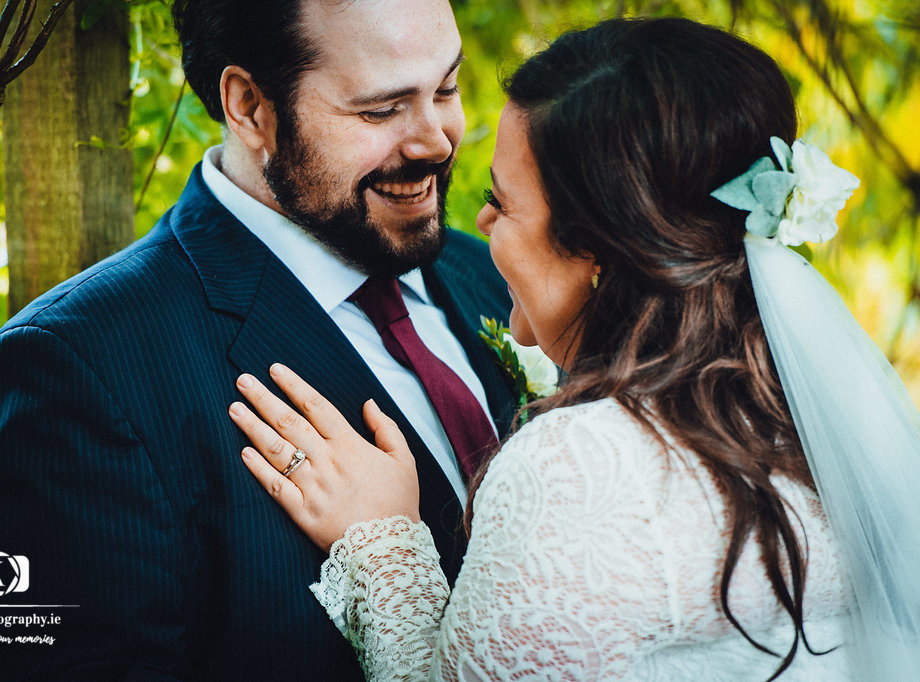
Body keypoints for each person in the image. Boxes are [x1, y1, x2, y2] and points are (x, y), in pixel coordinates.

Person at [229, 17, 920, 681]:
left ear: (594, 249)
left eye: (504, 204)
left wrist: (384, 546)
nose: (480, 222)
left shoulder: (578, 465)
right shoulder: (813, 426)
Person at [0, 0, 515, 678]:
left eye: (445, 88)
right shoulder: (68, 374)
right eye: (381, 110)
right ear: (248, 106)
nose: (436, 140)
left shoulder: (494, 275)